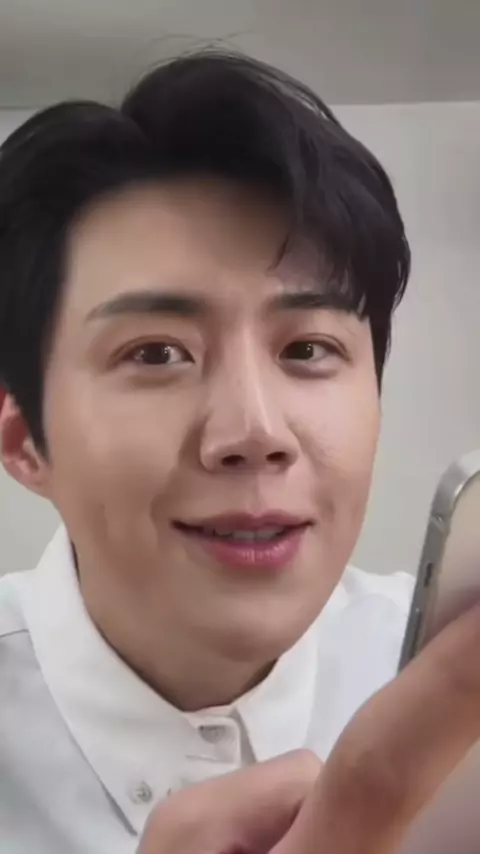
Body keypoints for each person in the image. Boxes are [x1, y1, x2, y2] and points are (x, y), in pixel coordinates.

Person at [0, 49, 439, 853]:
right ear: (25, 439)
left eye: (307, 349)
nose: (256, 432)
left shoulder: (438, 681)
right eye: (156, 353)